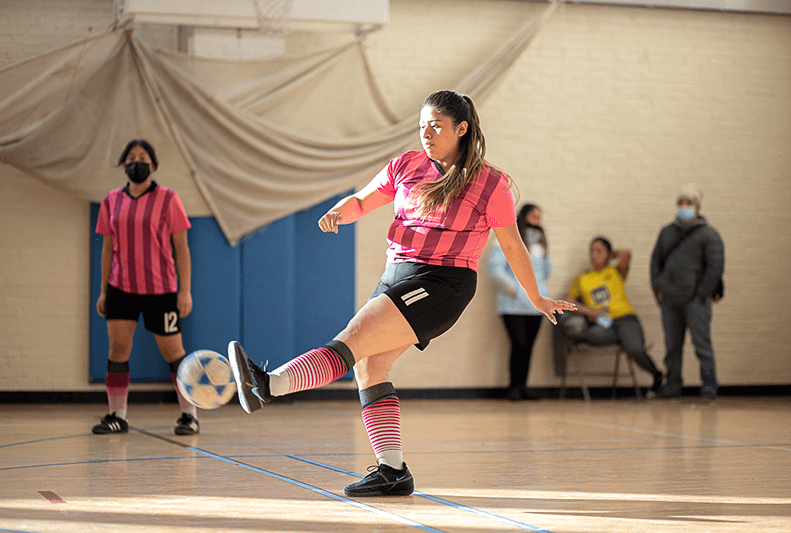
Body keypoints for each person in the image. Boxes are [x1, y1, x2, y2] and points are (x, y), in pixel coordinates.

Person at [227, 90, 576, 497]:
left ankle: (267, 385)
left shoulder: (490, 183)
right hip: (396, 275)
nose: (426, 132)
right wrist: (342, 210)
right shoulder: (406, 165)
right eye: (422, 125)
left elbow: (513, 245)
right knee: (370, 368)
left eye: (437, 125)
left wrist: (535, 297)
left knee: (352, 341)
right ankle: (392, 472)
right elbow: (362, 200)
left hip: (443, 283)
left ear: (461, 129)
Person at [92, 139, 199, 435]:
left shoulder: (168, 199)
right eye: (130, 157)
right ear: (123, 164)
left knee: (173, 353)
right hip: (120, 288)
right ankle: (117, 416)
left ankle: (190, 415)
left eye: (142, 157)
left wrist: (185, 290)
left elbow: (182, 248)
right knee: (117, 349)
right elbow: (107, 249)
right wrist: (103, 290)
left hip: (161, 290)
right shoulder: (111, 201)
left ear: (153, 165)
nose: (136, 161)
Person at [650, 185, 724, 400]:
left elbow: (715, 267)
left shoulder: (709, 234)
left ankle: (709, 385)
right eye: (681, 203)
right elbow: (656, 262)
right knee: (672, 347)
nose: (684, 207)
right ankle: (672, 384)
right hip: (670, 300)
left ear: (698, 207)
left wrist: (701, 294)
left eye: (689, 203)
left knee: (702, 345)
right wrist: (658, 290)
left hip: (696, 301)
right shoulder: (667, 232)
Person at [566, 237, 663, 393]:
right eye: (591, 251)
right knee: (593, 334)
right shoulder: (582, 279)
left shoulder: (616, 271)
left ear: (608, 254)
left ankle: (656, 374)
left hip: (625, 318)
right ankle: (626, 338)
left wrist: (610, 256)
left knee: (635, 349)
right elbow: (569, 303)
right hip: (603, 322)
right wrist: (590, 311)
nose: (594, 255)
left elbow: (626, 254)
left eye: (598, 251)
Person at [487, 203, 551, 401]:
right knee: (519, 345)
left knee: (529, 347)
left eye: (539, 217)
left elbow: (545, 271)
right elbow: (496, 270)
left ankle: (523, 386)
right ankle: (513, 387)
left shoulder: (540, 244)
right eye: (534, 216)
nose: (537, 221)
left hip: (536, 305)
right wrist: (517, 291)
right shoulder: (505, 239)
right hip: (513, 304)